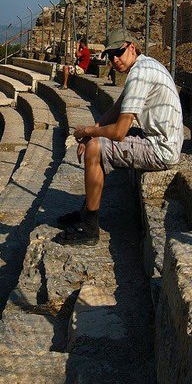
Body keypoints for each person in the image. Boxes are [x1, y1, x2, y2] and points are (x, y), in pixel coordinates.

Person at [58, 29, 182, 245]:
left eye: (119, 52)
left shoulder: (139, 74)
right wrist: (95, 126)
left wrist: (87, 133)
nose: (114, 59)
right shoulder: (145, 65)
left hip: (160, 149)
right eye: (110, 55)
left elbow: (119, 132)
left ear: (131, 48)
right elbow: (117, 108)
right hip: (160, 139)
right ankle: (87, 211)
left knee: (96, 148)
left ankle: (89, 229)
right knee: (95, 141)